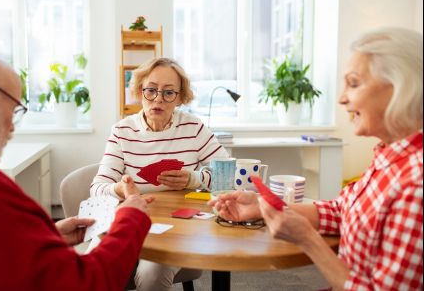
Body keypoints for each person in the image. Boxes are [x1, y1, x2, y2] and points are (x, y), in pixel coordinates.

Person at [0, 48, 152, 290]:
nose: (12, 128)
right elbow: (85, 284)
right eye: (14, 110)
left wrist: (46, 240)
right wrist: (132, 218)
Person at [209, 27, 423, 290]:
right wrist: (261, 207)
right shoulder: (390, 156)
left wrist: (309, 241)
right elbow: (343, 210)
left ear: (400, 88)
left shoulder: (415, 183)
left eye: (354, 83)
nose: (342, 98)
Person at [91, 57, 229, 290]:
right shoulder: (122, 131)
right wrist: (120, 189)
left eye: (168, 93)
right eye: (151, 90)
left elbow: (230, 176)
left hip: (177, 227)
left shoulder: (194, 129)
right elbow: (97, 190)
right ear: (139, 91)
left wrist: (195, 178)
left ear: (181, 97)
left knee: (152, 274)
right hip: (128, 222)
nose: (158, 99)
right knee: (94, 271)